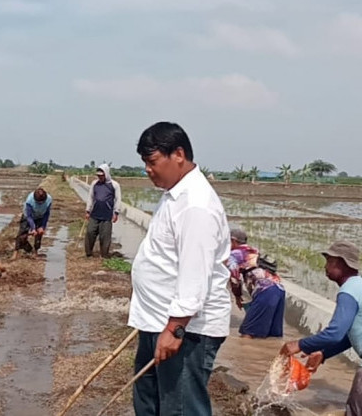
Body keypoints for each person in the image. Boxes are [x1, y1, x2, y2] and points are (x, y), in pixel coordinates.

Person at [128, 122, 231, 415]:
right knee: (149, 402)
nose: (147, 169)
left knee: (181, 409)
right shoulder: (174, 195)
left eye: (152, 161)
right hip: (157, 320)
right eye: (144, 163)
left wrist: (175, 328)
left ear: (179, 155)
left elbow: (194, 272)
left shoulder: (195, 204)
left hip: (185, 330)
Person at [281, 241, 362, 416]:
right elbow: (352, 334)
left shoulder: (349, 292)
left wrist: (299, 344)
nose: (325, 267)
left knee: (359, 411)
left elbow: (334, 333)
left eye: (329, 262)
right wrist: (324, 354)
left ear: (341, 264)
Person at [226, 228, 285, 338]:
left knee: (247, 333)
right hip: (279, 289)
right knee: (272, 335)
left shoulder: (234, 254)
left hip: (266, 291)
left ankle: (241, 355)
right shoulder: (253, 251)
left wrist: (237, 296)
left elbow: (234, 277)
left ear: (233, 241)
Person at [84, 163, 122, 258]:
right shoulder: (94, 184)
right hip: (95, 214)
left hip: (106, 215)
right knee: (90, 232)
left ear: (106, 174)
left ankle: (104, 255)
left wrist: (116, 212)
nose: (100, 177)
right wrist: (88, 210)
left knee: (104, 236)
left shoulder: (114, 185)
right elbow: (91, 197)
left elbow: (118, 199)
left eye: (102, 175)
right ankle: (89, 253)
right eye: (98, 175)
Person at [13, 187, 52, 259]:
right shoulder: (30, 200)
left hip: (40, 216)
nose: (40, 204)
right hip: (28, 216)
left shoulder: (49, 200)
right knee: (21, 234)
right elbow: (29, 216)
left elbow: (47, 214)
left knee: (39, 234)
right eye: (38, 202)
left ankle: (35, 252)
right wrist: (33, 228)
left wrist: (43, 226)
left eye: (42, 202)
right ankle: (16, 252)